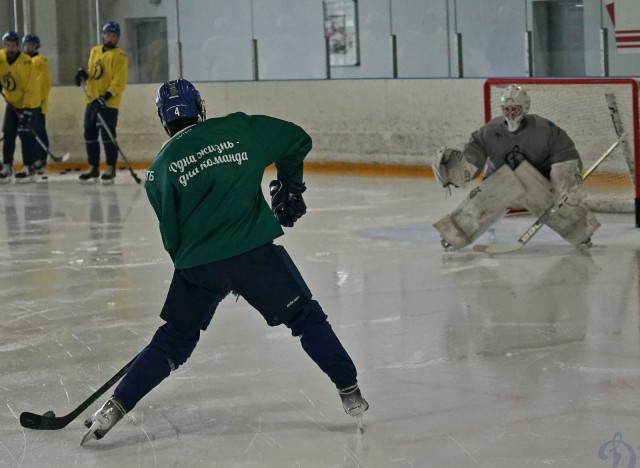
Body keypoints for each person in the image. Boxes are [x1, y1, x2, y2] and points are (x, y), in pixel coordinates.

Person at [81, 79, 369, 445]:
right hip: (254, 255)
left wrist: (202, 272)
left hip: (198, 265)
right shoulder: (238, 129)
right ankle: (349, 389)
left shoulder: (160, 170)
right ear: (199, 108)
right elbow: (298, 139)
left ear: (163, 120)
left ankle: (114, 408)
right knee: (304, 317)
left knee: (173, 340)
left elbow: (172, 237)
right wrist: (290, 185)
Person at [432, 84, 600, 250]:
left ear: (525, 107)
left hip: (537, 184)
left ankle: (581, 232)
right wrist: (464, 170)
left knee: (551, 197)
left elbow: (564, 151)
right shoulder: (490, 131)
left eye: (515, 109)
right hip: (500, 183)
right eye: (507, 109)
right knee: (483, 200)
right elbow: (474, 152)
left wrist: (566, 184)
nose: (511, 114)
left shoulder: (544, 129)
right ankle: (454, 234)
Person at [74, 21, 128, 184]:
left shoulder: (120, 56)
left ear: (117, 38)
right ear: (103, 35)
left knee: (107, 136)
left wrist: (105, 98)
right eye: (108, 34)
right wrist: (83, 74)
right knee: (89, 133)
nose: (110, 38)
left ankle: (110, 168)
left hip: (108, 104)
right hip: (91, 100)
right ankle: (93, 168)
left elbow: (119, 82)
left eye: (113, 35)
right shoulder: (95, 51)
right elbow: (94, 72)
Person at [0, 30, 40, 183]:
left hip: (29, 104)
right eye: (8, 45)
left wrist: (28, 111)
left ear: (18, 46)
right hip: (12, 104)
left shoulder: (26, 63)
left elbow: (32, 88)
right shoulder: (1, 57)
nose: (10, 48)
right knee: (8, 133)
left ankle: (28, 167)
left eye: (13, 46)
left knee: (25, 134)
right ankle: (7, 166)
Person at [21, 33, 51, 175]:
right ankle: (32, 160)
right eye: (26, 44)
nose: (28, 47)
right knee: (28, 133)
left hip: (37, 104)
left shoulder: (40, 61)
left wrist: (38, 102)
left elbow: (42, 83)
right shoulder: (22, 61)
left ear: (36, 46)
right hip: (25, 104)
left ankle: (41, 159)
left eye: (31, 44)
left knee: (39, 130)